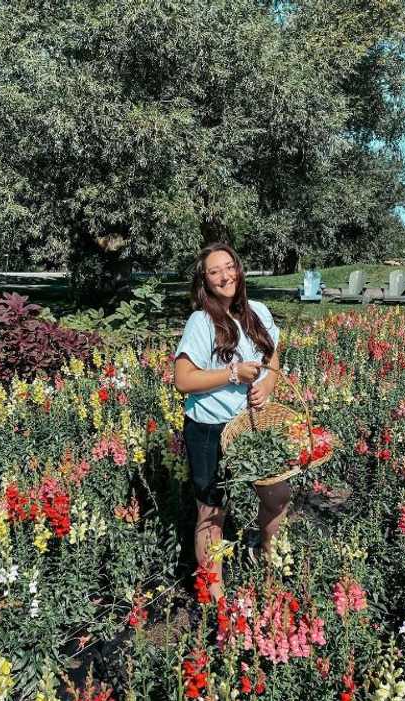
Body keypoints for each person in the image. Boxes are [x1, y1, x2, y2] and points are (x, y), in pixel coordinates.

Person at [174, 242, 287, 603]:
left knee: (277, 494)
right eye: (214, 271)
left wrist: (268, 382)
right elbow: (183, 379)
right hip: (210, 428)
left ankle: (268, 551)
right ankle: (214, 595)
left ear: (239, 269)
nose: (225, 276)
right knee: (212, 511)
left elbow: (273, 354)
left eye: (229, 267)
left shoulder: (257, 311)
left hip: (253, 425)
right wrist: (233, 373)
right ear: (204, 281)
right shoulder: (201, 321)